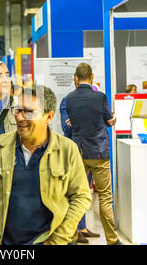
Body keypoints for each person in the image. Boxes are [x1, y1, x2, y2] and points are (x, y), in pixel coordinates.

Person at [0, 85, 92, 245]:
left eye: (29, 112)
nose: (20, 117)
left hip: (47, 239)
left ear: (49, 116)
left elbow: (81, 196)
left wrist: (56, 240)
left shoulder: (67, 149)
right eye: (17, 110)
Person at [65, 63, 121, 245]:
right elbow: (107, 118)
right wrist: (110, 120)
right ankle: (112, 240)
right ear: (92, 77)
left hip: (79, 153)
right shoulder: (100, 97)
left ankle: (72, 237)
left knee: (76, 195)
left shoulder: (70, 99)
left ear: (76, 78)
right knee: (105, 197)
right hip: (99, 153)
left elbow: (73, 124)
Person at [59, 75, 100, 243]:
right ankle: (73, 230)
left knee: (84, 192)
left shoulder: (93, 101)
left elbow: (100, 122)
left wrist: (80, 121)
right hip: (73, 152)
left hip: (89, 150)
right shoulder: (66, 101)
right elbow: (66, 127)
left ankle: (82, 227)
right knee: (72, 192)